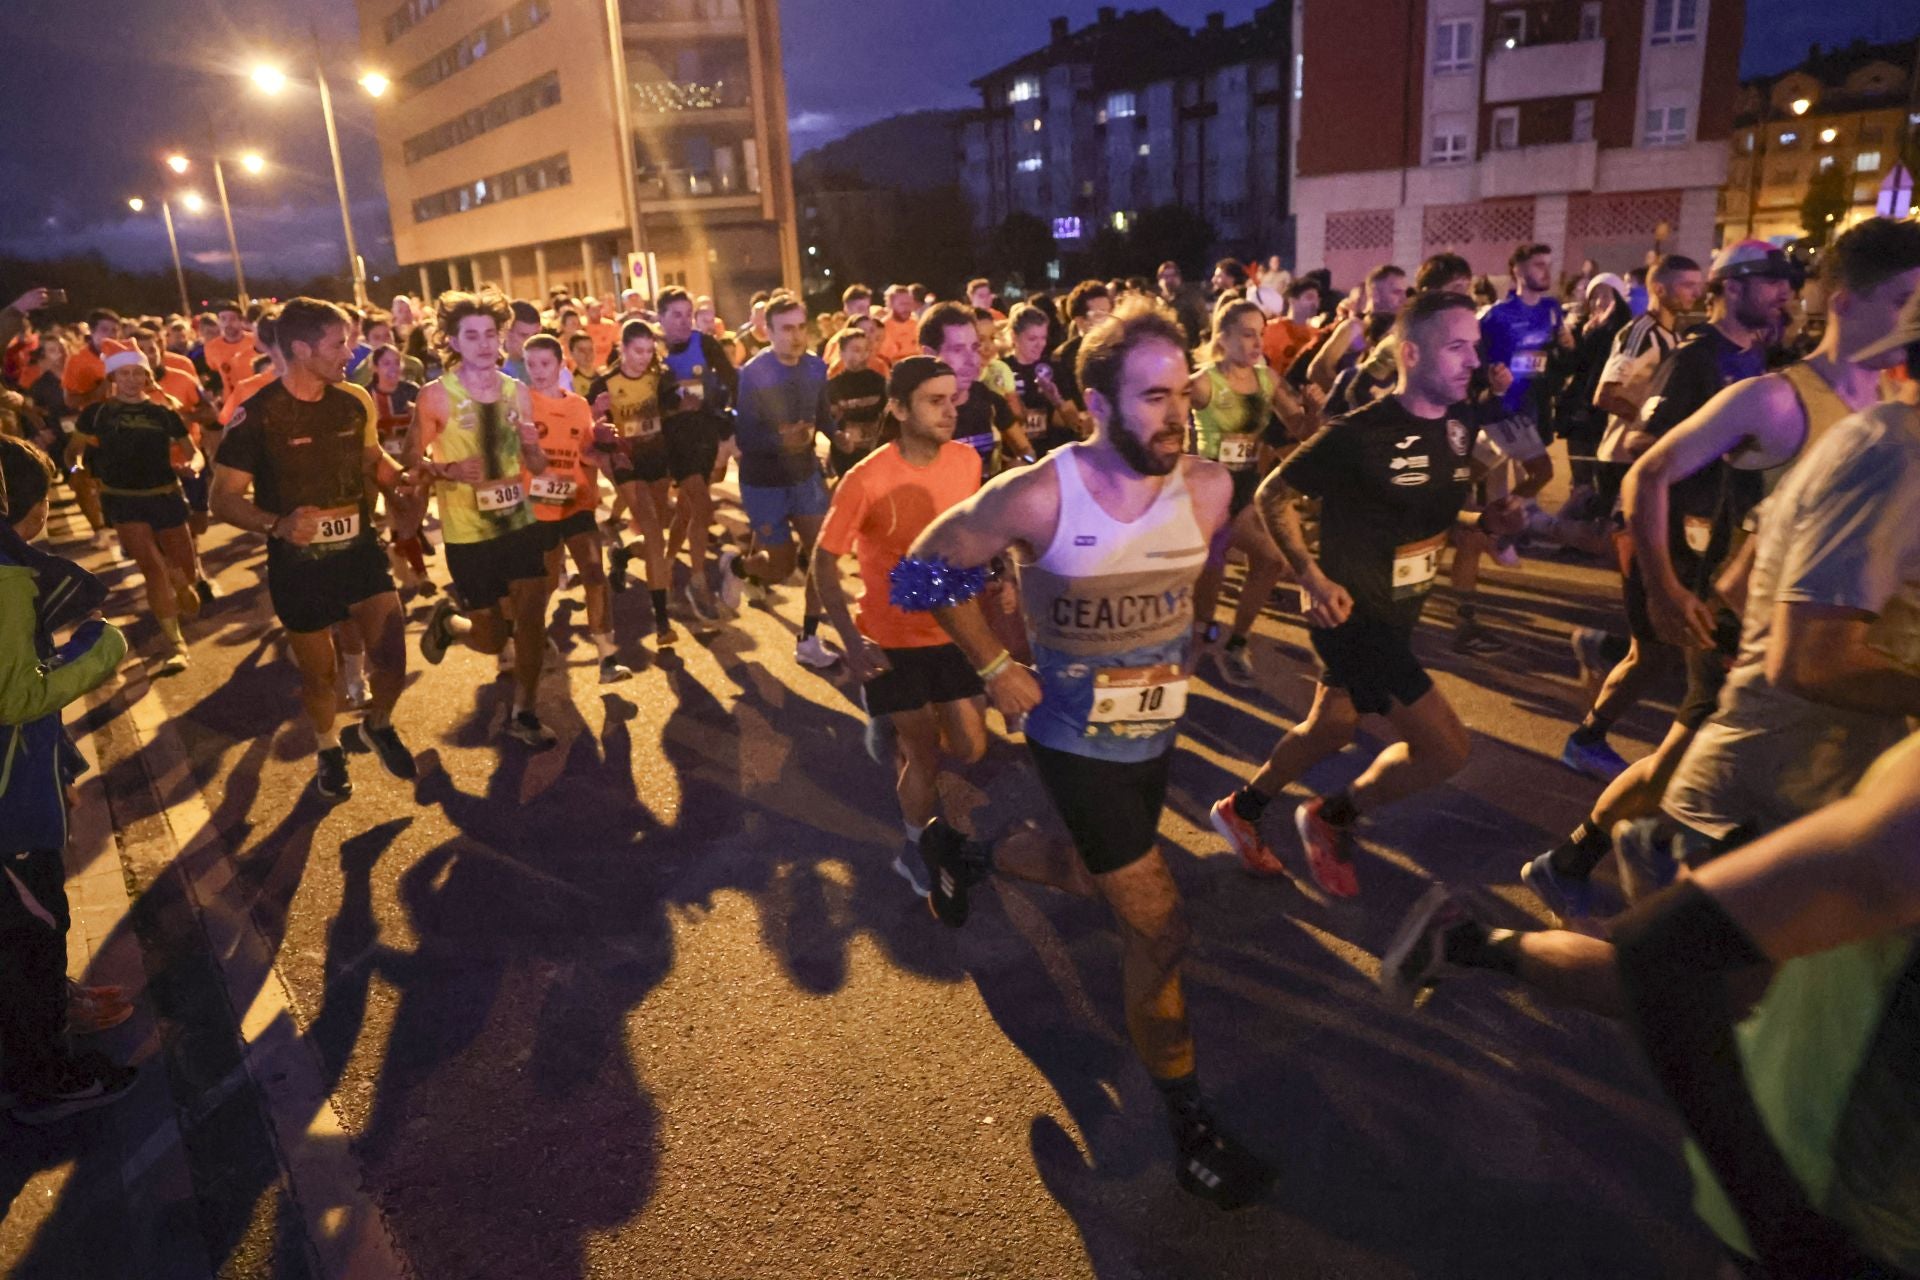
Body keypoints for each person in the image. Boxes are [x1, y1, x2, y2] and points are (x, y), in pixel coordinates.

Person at [895, 296, 1267, 1207]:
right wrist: (991, 664)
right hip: (1074, 740)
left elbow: (1248, 528)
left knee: (1091, 876)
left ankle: (973, 854)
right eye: (1151, 397)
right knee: (1159, 923)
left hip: (1155, 733)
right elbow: (921, 570)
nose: (1176, 413)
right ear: (1097, 403)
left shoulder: (1211, 486)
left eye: (1182, 393)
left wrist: (1310, 576)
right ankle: (1191, 1126)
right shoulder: (1039, 493)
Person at [1379, 727, 1920, 1278]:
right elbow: (1663, 956)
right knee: (1674, 974)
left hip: (1800, 813)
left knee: (1711, 988)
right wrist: (1784, 1228)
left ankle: (1489, 932)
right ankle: (1483, 934)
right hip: (1843, 1202)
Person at [1522, 221, 1918, 923]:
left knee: (1704, 770)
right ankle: (1602, 867)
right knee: (1685, 767)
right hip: (1744, 629)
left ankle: (1622, 863)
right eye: (1904, 300)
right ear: (1845, 301)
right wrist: (1667, 589)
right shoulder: (1772, 398)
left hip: (1828, 633)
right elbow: (1648, 472)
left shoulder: (1891, 416)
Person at [1209, 291, 1527, 897]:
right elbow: (1273, 493)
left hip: (1400, 610)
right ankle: (1333, 817)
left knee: (1330, 727)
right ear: (1411, 353)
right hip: (1355, 616)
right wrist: (1309, 575)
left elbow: (1425, 522)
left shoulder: (1461, 427)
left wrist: (1483, 526)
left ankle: (1243, 809)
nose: (1472, 360)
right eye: (1456, 347)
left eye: (1474, 346)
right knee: (1446, 749)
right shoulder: (1361, 434)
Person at [211, 297, 419, 798]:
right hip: (298, 565)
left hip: (359, 550)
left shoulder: (354, 400)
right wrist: (278, 525)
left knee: (392, 656)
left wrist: (403, 480)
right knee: (319, 674)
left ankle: (377, 723)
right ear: (302, 349)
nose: (349, 352)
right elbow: (222, 499)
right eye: (338, 343)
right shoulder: (257, 415)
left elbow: (373, 460)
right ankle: (327, 746)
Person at [0, 434, 137, 1124]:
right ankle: (45, 1076)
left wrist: (67, 765)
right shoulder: (5, 577)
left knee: (31, 933)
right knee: (30, 933)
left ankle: (53, 1007)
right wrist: (101, 646)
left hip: (24, 781)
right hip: (7, 810)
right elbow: (16, 698)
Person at [813, 356, 987, 894]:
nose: (949, 410)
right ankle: (916, 847)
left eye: (952, 398)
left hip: (954, 631)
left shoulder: (966, 462)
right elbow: (823, 562)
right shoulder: (865, 479)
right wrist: (850, 642)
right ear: (898, 407)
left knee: (972, 747)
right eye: (934, 401)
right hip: (891, 642)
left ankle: (887, 720)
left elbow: (974, 534)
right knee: (924, 755)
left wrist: (995, 574)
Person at [411, 289, 561, 750]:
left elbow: (535, 467)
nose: (481, 343)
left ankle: (525, 712)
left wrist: (534, 447)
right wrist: (447, 470)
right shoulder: (435, 397)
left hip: (518, 523)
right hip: (467, 533)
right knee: (493, 638)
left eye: (489, 334)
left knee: (533, 616)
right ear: (452, 342)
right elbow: (409, 464)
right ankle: (450, 625)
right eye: (470, 335)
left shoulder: (519, 392)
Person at [1188, 298, 1311, 687]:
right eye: (1247, 334)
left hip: (1243, 491)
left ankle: (1237, 641)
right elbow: (1163, 423)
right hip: (1206, 492)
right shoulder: (1203, 382)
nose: (1257, 343)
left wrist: (1314, 411)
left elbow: (1302, 429)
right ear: (1222, 338)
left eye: (1261, 334)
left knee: (1272, 561)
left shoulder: (1267, 381)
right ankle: (1201, 634)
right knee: (1211, 569)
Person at [715, 294, 842, 670]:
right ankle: (738, 567)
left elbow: (823, 418)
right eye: (787, 328)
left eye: (802, 326)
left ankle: (808, 638)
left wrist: (840, 438)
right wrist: (779, 440)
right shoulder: (753, 373)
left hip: (804, 475)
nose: (796, 335)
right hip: (763, 481)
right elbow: (744, 437)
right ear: (766, 331)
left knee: (821, 557)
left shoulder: (817, 369)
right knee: (781, 567)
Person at [68, 349, 203, 674]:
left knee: (185, 568)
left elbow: (193, 452)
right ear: (113, 378)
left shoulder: (162, 413)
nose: (131, 379)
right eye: (123, 373)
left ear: (147, 376)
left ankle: (182, 583)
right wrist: (76, 469)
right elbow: (74, 452)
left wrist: (192, 467)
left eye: (137, 372)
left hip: (165, 495)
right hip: (123, 498)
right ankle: (176, 645)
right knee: (152, 569)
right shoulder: (96, 414)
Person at [522, 334, 631, 683]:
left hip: (577, 503)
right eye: (531, 364)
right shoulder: (521, 404)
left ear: (560, 365)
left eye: (545, 364)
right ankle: (526, 640)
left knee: (594, 574)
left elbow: (587, 453)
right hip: (538, 509)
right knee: (547, 584)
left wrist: (601, 436)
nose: (538, 371)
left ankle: (607, 656)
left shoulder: (578, 406)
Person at [587, 319, 682, 647]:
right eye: (637, 351)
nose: (643, 358)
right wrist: (600, 430)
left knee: (656, 537)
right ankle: (662, 620)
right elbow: (591, 433)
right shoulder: (605, 384)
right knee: (655, 534)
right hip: (626, 465)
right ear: (623, 349)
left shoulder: (660, 378)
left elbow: (674, 418)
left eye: (648, 351)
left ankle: (624, 555)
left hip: (658, 461)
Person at [656, 285, 737, 622]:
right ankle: (698, 582)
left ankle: (666, 563)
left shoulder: (704, 343)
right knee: (703, 506)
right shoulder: (652, 350)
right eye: (676, 315)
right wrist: (674, 408)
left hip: (704, 436)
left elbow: (734, 380)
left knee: (688, 511)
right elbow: (638, 398)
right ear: (660, 318)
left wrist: (726, 412)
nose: (683, 321)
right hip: (673, 441)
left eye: (688, 315)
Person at [920, 301, 1025, 476]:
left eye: (974, 347)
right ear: (929, 354)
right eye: (958, 349)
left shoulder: (988, 399)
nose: (972, 359)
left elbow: (1026, 451)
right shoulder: (910, 415)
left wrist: (1019, 467)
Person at [367, 343, 432, 595]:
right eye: (386, 363)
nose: (393, 368)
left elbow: (429, 426)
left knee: (412, 518)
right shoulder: (367, 396)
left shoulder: (412, 391)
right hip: (384, 466)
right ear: (375, 367)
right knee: (404, 517)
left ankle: (397, 549)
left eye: (397, 362)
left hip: (416, 464)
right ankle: (421, 573)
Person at [1307, 265, 1406, 392]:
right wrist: (1347, 400)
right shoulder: (1354, 327)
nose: (1404, 298)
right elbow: (1317, 370)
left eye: (1404, 292)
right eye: (1396, 292)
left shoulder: (1399, 331)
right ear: (1375, 294)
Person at [1001, 304, 1076, 458]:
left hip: (1048, 454)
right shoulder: (1001, 369)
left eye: (1043, 337)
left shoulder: (1052, 368)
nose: (1040, 344)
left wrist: (1056, 399)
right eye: (1032, 338)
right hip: (1014, 457)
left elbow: (1074, 423)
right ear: (1015, 337)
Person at [1050, 281, 1115, 439]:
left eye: (1109, 313)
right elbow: (1069, 413)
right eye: (1100, 314)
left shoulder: (1121, 349)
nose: (1108, 320)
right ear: (1081, 321)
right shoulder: (1063, 357)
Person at [824, 325, 886, 479]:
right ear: (842, 353)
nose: (863, 355)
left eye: (866, 349)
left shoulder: (880, 383)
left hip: (875, 456)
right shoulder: (832, 387)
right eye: (856, 350)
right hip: (845, 460)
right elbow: (827, 423)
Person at [202, 301, 263, 398]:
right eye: (223, 319)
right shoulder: (211, 347)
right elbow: (215, 373)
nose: (228, 323)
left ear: (241, 321)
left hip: (258, 397)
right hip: (232, 402)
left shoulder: (256, 341)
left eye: (232, 319)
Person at [1261, 278, 1322, 374]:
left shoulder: (1317, 334)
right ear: (1293, 301)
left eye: (1317, 299)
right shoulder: (1270, 329)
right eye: (1309, 298)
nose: (1315, 303)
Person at [1155, 260, 1208, 345]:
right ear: (1159, 280)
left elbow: (1204, 324)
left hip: (1190, 348)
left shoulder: (1192, 299)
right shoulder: (1157, 303)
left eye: (1173, 275)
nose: (1169, 280)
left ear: (1179, 278)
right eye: (1165, 276)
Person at [876, 284, 921, 366]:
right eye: (902, 304)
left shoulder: (917, 324)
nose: (906, 308)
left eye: (909, 304)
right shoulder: (882, 328)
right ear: (890, 304)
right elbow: (883, 360)